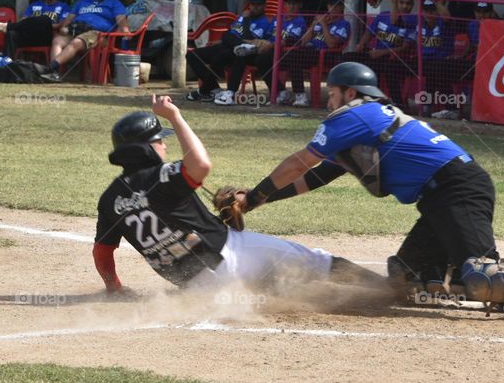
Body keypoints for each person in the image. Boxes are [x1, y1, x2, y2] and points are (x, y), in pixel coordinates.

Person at [234, 62, 504, 322]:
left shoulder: (355, 115)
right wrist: (260, 198)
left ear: (349, 92)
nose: (328, 99)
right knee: (407, 278)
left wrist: (252, 197)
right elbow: (315, 177)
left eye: (332, 92)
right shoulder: (368, 120)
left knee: (482, 274)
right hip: (440, 196)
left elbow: (300, 163)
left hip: (457, 187)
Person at [92, 95, 391, 297]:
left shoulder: (109, 199)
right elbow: (201, 164)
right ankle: (389, 290)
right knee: (319, 262)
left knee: (271, 290)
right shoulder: (161, 175)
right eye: (160, 141)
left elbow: (102, 254)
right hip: (231, 255)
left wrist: (114, 287)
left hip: (198, 290)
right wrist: (175, 116)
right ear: (146, 147)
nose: (164, 147)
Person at [184, 0, 271, 103]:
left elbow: (249, 38)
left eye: (258, 4)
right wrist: (221, 40)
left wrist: (244, 21)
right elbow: (233, 33)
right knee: (192, 55)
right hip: (229, 45)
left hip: (244, 52)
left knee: (222, 54)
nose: (255, 7)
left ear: (264, 6)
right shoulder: (243, 18)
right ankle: (213, 89)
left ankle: (204, 90)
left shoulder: (267, 21)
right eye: (253, 4)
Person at [41, 0, 128, 82]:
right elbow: (69, 19)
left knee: (77, 42)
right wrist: (63, 27)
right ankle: (55, 75)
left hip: (99, 35)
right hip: (77, 31)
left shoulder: (115, 3)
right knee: (57, 41)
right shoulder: (82, 2)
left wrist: (113, 38)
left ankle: (50, 68)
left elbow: (122, 25)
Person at [275, 0, 350, 108]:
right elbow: (303, 42)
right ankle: (283, 92)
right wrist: (314, 24)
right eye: (330, 5)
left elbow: (331, 44)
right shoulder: (322, 21)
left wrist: (324, 25)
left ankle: (300, 95)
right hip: (308, 52)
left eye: (336, 6)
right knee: (276, 58)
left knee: (294, 56)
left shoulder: (343, 24)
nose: (332, 8)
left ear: (341, 8)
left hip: (325, 55)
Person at [349, 0, 416, 106]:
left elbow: (405, 47)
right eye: (401, 2)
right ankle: (348, 98)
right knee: (347, 59)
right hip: (377, 54)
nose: (405, 6)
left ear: (413, 5)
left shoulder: (413, 20)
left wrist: (381, 52)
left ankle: (396, 103)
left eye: (408, 3)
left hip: (398, 59)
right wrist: (360, 45)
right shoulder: (382, 15)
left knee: (380, 67)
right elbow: (369, 33)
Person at [0, 0, 70, 59]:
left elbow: (61, 24)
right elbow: (24, 20)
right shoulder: (34, 5)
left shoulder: (63, 6)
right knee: (11, 33)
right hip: (30, 36)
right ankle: (6, 63)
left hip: (46, 37)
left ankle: (7, 26)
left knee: (45, 19)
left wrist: (42, 24)